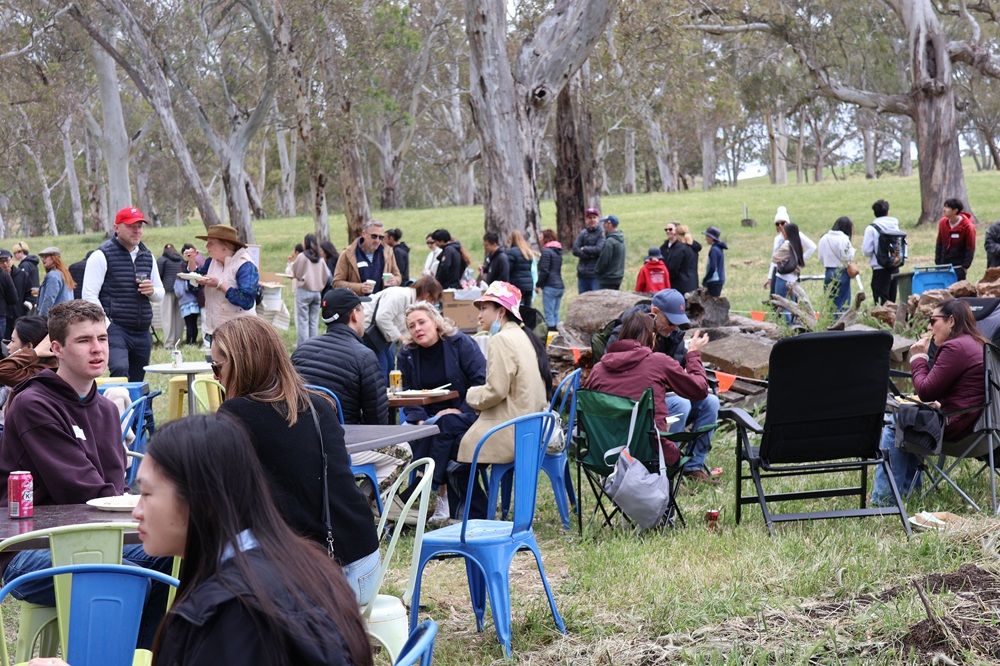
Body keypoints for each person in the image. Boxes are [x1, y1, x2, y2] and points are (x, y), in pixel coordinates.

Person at [25, 415, 375, 666]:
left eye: (147, 493)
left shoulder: (228, 614)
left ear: (201, 500)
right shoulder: (306, 563)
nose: (137, 512)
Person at [1, 300, 171, 649]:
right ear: (58, 349)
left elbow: (113, 490)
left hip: (100, 539)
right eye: (84, 341)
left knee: (179, 553)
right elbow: (83, 491)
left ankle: (143, 656)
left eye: (103, 338)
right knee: (129, 573)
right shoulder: (34, 403)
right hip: (30, 551)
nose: (97, 348)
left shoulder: (107, 409)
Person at [212, 316, 382, 607]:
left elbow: (224, 503)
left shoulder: (234, 415)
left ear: (241, 364)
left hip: (316, 579)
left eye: (217, 366)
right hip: (365, 565)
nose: (215, 376)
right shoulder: (319, 405)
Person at [871, 299, 987, 506]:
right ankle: (909, 492)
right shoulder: (977, 343)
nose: (929, 327)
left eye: (933, 320)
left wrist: (918, 358)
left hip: (959, 429)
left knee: (895, 421)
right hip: (982, 426)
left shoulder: (955, 347)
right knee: (911, 416)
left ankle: (886, 500)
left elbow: (925, 391)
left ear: (951, 321)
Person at [455, 282, 548, 519]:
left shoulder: (501, 339)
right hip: (529, 422)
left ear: (501, 311)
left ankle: (475, 516)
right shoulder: (521, 335)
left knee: (455, 457)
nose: (479, 314)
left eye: (484, 308)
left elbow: (496, 390)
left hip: (510, 426)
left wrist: (470, 395)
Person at [587, 309, 711, 473]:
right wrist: (693, 354)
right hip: (652, 454)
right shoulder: (658, 362)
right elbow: (700, 389)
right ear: (651, 337)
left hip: (606, 455)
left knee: (678, 405)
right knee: (679, 408)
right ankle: (672, 475)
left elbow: (588, 414)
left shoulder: (597, 370)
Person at [396, 302, 487, 523]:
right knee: (408, 436)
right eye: (411, 326)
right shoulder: (407, 353)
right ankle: (434, 493)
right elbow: (405, 391)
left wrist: (461, 408)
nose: (417, 329)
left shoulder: (460, 344)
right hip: (425, 416)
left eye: (421, 322)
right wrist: (416, 418)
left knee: (443, 426)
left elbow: (481, 381)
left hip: (465, 413)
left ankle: (425, 487)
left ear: (436, 322)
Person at [82, 206, 164, 382]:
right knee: (119, 370)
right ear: (116, 227)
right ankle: (118, 409)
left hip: (142, 330)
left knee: (137, 379)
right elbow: (89, 295)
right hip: (116, 327)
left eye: (140, 226)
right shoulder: (101, 255)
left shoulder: (147, 256)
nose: (137, 230)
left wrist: (151, 292)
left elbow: (160, 293)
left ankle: (137, 410)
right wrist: (106, 325)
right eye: (131, 226)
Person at [649, 289, 720, 481]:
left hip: (666, 396)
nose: (674, 327)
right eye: (670, 321)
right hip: (644, 403)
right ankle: (667, 469)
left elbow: (682, 376)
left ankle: (693, 466)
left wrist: (692, 354)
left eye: (678, 322)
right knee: (681, 404)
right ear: (655, 312)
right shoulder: (635, 328)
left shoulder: (674, 336)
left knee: (711, 402)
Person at [292, 288, 388, 426]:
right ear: (354, 314)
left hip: (301, 437)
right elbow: (377, 419)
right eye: (362, 310)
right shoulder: (364, 356)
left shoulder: (301, 350)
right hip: (345, 440)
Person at [185, 224, 258, 347]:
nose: (206, 246)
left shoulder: (245, 265)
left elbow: (247, 301)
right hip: (216, 331)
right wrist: (192, 261)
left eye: (211, 243)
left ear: (225, 246)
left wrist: (220, 285)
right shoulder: (211, 262)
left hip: (240, 333)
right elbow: (194, 286)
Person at [361, 275, 443, 377]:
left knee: (390, 368)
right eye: (432, 299)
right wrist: (401, 338)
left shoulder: (412, 302)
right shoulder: (400, 295)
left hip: (382, 338)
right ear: (427, 294)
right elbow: (382, 317)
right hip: (370, 333)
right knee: (381, 370)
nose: (432, 303)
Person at [334, 220, 401, 296]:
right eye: (374, 236)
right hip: (357, 304)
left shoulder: (388, 252)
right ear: (364, 234)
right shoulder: (347, 254)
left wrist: (395, 280)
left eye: (381, 237)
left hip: (381, 303)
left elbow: (398, 276)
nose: (377, 240)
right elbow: (337, 283)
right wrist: (359, 288)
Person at [766, 206, 816, 295]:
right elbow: (774, 258)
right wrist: (770, 277)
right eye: (777, 224)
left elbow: (812, 247)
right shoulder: (777, 239)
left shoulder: (796, 235)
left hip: (791, 272)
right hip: (778, 270)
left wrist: (799, 260)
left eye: (782, 223)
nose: (780, 226)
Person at [291, 234, 331, 346]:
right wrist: (321, 286)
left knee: (303, 321)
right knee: (314, 321)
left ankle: (304, 348)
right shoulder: (320, 259)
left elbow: (296, 271)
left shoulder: (302, 257)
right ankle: (313, 346)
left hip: (304, 291)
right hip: (317, 293)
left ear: (306, 242)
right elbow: (327, 276)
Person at [862, 199, 902, 304]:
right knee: (891, 301)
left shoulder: (871, 229)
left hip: (879, 268)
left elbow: (867, 251)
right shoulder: (895, 225)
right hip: (895, 265)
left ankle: (882, 321)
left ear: (874, 213)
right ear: (887, 211)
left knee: (881, 303)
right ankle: (893, 319)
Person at [771, 222, 813, 324]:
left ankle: (788, 327)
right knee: (793, 306)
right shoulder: (797, 244)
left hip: (782, 278)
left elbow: (774, 258)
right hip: (793, 279)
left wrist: (783, 260)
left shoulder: (786, 245)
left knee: (783, 306)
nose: (783, 233)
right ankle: (794, 326)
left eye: (784, 232)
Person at [817, 216, 856, 313]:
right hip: (842, 272)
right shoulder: (844, 239)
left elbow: (820, 258)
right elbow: (848, 258)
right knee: (843, 303)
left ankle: (830, 324)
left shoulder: (824, 238)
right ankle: (841, 325)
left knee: (830, 303)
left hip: (828, 272)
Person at [935, 198, 976, 281]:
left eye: (947, 207)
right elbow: (939, 243)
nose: (944, 209)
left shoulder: (968, 227)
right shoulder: (942, 223)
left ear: (955, 210)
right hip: (943, 263)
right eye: (944, 206)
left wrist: (964, 266)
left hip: (958, 265)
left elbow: (970, 248)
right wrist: (938, 262)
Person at [156, 244, 185, 348]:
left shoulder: (162, 260)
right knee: (179, 318)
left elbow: (158, 276)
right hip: (180, 291)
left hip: (167, 290)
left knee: (167, 318)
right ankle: (178, 342)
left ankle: (169, 343)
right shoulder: (181, 259)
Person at [536, 228, 564, 330]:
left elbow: (544, 271)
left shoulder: (546, 252)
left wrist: (538, 284)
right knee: (556, 314)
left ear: (546, 238)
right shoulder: (558, 252)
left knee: (549, 315)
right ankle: (558, 338)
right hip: (560, 286)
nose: (539, 238)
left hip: (550, 287)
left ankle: (551, 338)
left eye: (541, 236)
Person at [572, 207, 605, 294]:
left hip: (595, 274)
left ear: (598, 219)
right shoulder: (583, 233)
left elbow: (599, 249)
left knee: (595, 301)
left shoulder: (601, 233)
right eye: (590, 218)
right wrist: (588, 255)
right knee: (582, 301)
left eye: (594, 217)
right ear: (586, 219)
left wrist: (584, 248)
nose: (592, 220)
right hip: (582, 274)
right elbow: (575, 249)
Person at [35, 247, 75, 317]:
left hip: (55, 318)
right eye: (42, 257)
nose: (43, 259)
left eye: (46, 256)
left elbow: (49, 299)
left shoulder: (53, 275)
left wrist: (41, 318)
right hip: (66, 316)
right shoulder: (64, 273)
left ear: (54, 258)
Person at [660, 222, 698, 295]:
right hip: (692, 284)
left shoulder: (679, 249)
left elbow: (673, 268)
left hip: (680, 285)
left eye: (670, 229)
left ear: (676, 233)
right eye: (666, 229)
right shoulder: (693, 248)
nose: (668, 231)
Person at [595, 215, 625, 291]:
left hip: (608, 279)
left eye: (604, 223)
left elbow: (604, 260)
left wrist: (597, 271)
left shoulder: (610, 241)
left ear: (609, 224)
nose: (603, 226)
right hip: (618, 277)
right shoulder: (621, 239)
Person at [507, 230, 537, 305]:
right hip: (529, 285)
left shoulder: (511, 252)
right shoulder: (527, 251)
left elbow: (508, 269)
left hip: (517, 285)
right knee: (527, 310)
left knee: (517, 309)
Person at [12, 241, 39, 315]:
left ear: (20, 252)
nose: (14, 256)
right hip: (35, 297)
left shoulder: (24, 265)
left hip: (28, 299)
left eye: (15, 253)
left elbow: (22, 283)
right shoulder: (33, 263)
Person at [0, 251, 21, 338]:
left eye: (7, 261)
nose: (5, 264)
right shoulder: (4, 275)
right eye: (1, 261)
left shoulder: (21, 274)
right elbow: (14, 298)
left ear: (11, 260)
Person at [701, 227, 727, 297]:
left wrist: (705, 279)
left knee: (712, 304)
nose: (705, 238)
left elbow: (712, 268)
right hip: (718, 280)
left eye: (706, 236)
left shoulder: (714, 250)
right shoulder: (718, 248)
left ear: (711, 238)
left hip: (714, 281)